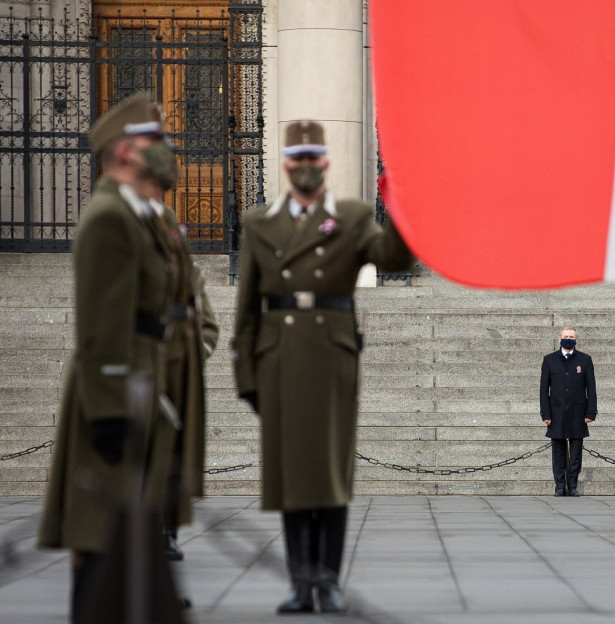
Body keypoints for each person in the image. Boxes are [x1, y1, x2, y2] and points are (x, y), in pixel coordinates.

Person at [231, 120, 412, 614]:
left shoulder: (351, 218)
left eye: (313, 158)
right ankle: (299, 582)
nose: (305, 167)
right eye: (297, 159)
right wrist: (246, 377)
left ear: (326, 163)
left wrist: (402, 202)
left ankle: (328, 580)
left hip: (332, 360)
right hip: (280, 360)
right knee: (290, 477)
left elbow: (392, 257)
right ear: (286, 165)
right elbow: (246, 311)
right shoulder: (260, 224)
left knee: (331, 474)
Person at [36, 93, 181, 621]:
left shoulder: (136, 214)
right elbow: (99, 326)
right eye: (155, 141)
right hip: (113, 393)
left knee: (121, 540)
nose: (167, 149)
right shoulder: (108, 217)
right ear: (124, 152)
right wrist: (110, 411)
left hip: (136, 382)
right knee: (99, 537)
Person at [147, 190, 220, 561]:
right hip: (142, 366)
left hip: (178, 371)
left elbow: (208, 325)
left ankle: (169, 532)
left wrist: (193, 356)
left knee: (174, 453)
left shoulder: (190, 272)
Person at [539, 327, 597, 497]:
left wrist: (590, 412)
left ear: (576, 340)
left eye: (572, 337)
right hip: (556, 412)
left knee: (576, 453)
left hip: (578, 412)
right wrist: (546, 414)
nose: (569, 339)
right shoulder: (549, 360)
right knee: (558, 452)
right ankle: (559, 485)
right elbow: (543, 390)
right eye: (566, 336)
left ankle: (572, 486)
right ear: (559, 338)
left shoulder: (585, 360)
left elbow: (591, 388)